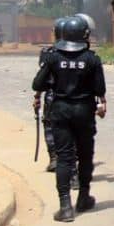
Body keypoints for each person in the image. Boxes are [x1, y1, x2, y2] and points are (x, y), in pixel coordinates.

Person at [32, 16, 106, 222]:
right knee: (85, 155)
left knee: (64, 158)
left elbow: (38, 83)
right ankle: (83, 196)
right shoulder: (92, 59)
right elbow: (100, 89)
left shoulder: (53, 57)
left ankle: (65, 206)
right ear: (85, 35)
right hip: (84, 111)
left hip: (61, 111)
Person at [34, 17, 81, 188]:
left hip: (53, 96)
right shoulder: (79, 53)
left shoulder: (49, 53)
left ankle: (55, 157)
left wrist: (37, 96)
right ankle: (73, 170)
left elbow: (41, 79)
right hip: (75, 98)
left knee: (50, 127)